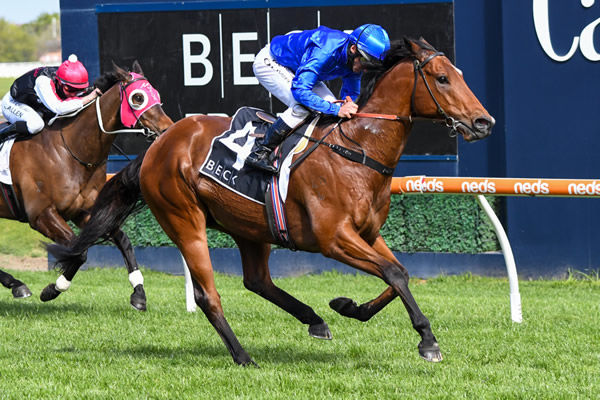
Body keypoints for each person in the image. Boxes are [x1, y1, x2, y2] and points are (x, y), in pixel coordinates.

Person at [246, 24, 390, 173]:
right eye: (366, 62)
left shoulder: (354, 57)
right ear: (353, 49)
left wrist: (346, 106)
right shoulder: (325, 50)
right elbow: (300, 90)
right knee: (302, 107)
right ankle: (259, 152)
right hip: (272, 61)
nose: (365, 69)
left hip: (300, 67)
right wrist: (336, 110)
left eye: (371, 65)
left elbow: (350, 94)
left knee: (333, 107)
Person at [0, 54, 101, 140]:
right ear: (60, 83)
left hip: (34, 104)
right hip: (13, 103)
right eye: (70, 89)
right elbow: (59, 108)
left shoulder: (66, 79)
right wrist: (89, 97)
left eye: (79, 90)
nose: (74, 94)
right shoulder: (43, 82)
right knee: (35, 125)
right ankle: (2, 135)